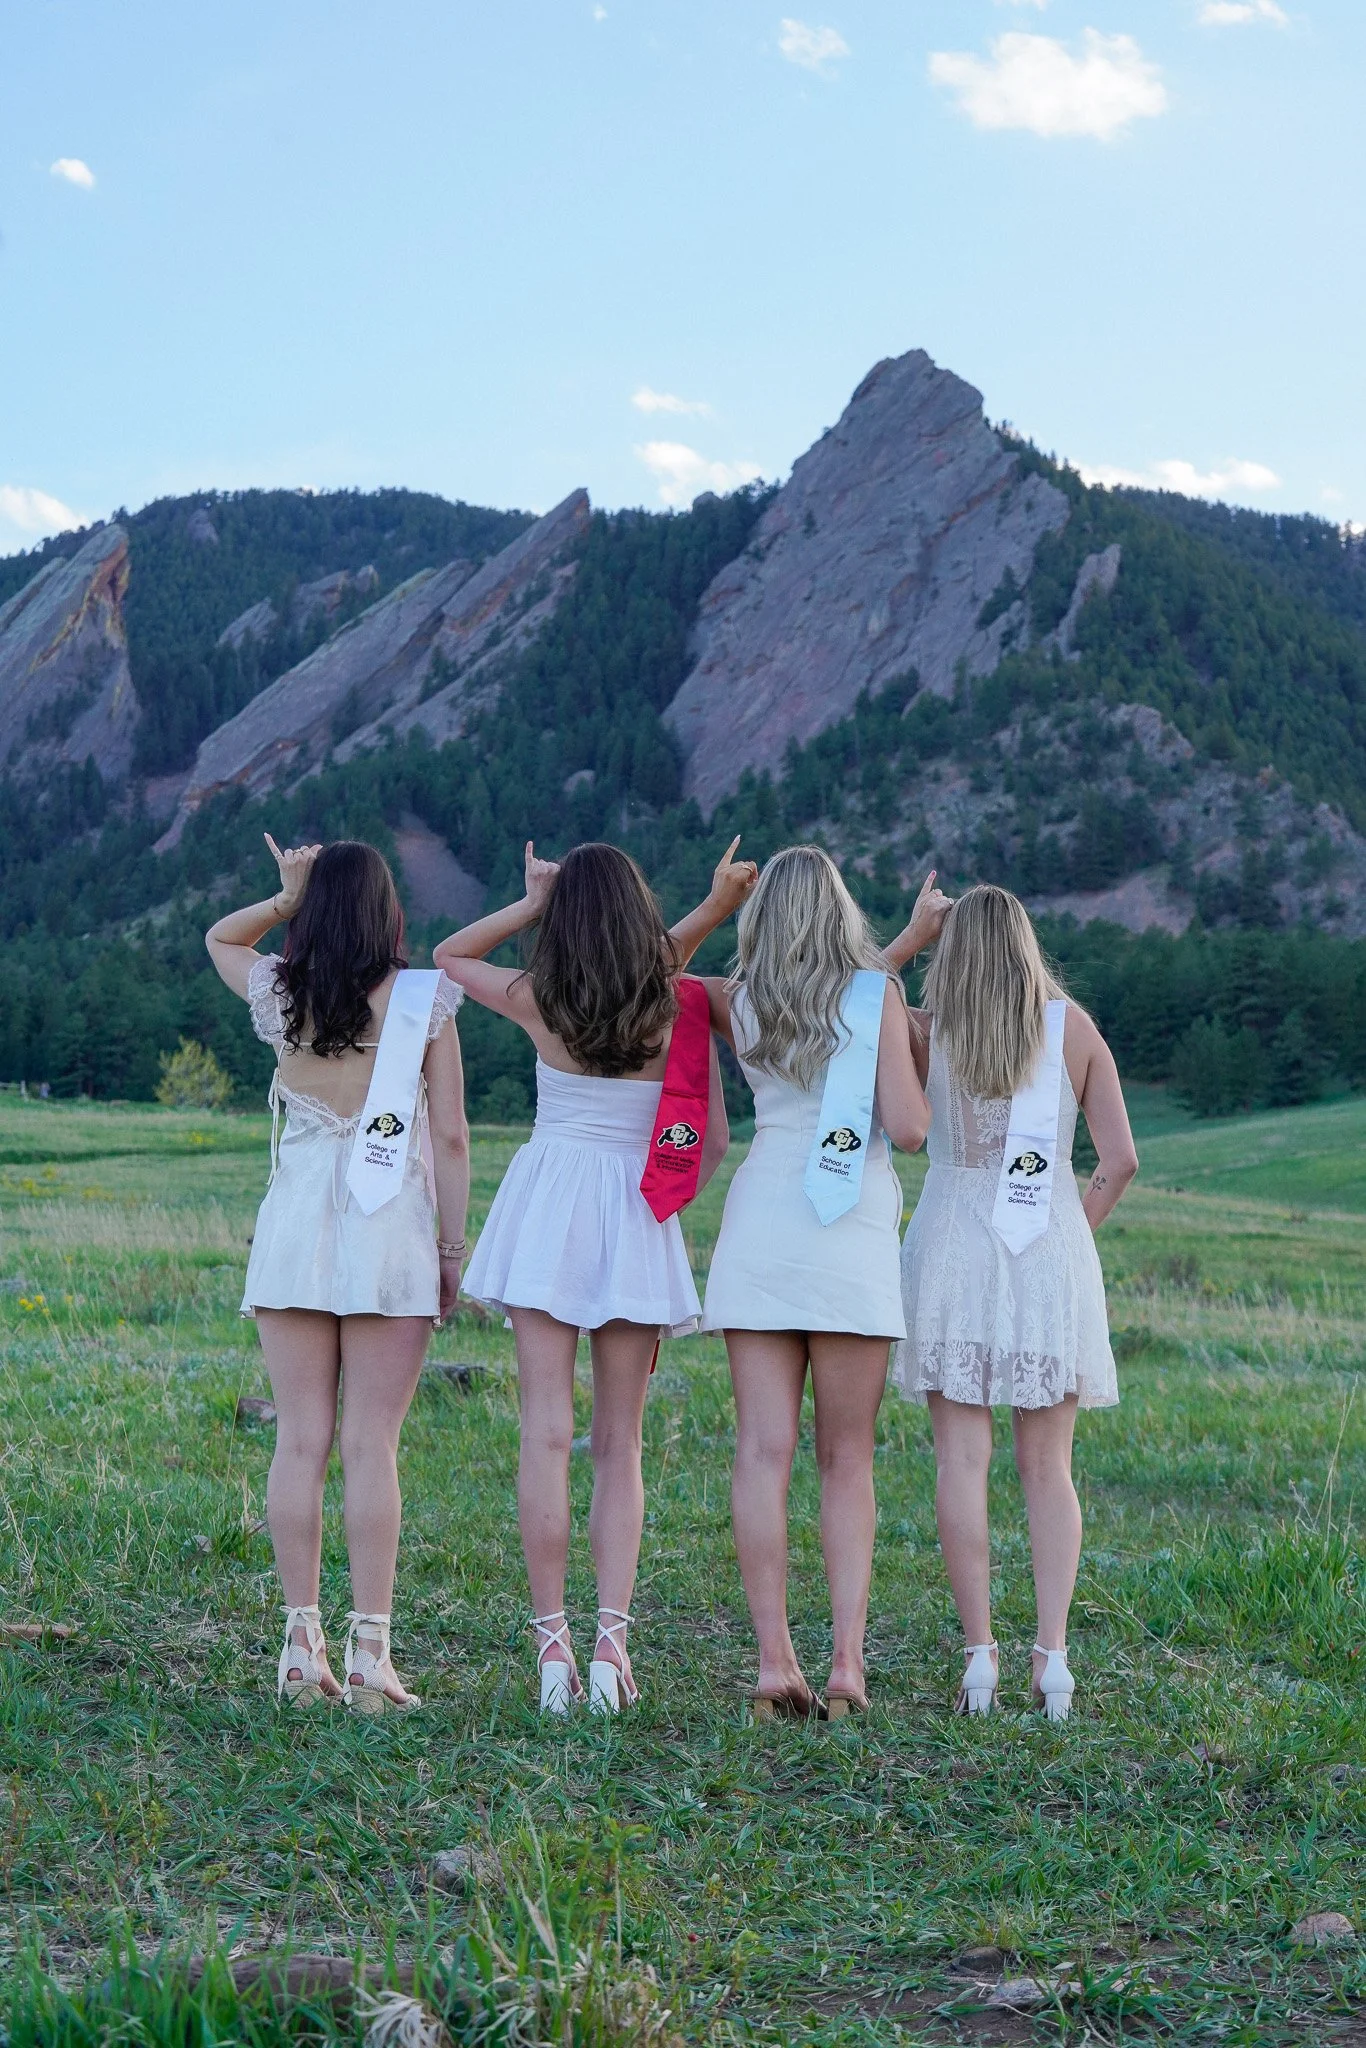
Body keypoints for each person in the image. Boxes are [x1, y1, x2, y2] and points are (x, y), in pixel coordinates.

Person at [434, 837, 753, 1713]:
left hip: (548, 1206)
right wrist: (718, 902)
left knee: (545, 1431)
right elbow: (713, 1139)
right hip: (635, 1206)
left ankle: (551, 1653)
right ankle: (611, 1647)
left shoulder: (538, 996)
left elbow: (450, 955)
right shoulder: (667, 996)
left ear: (566, 920)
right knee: (622, 1444)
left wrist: (533, 905)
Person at [207, 835, 469, 1714]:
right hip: (388, 1225)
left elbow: (218, 939)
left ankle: (296, 1645)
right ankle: (370, 1655)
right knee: (371, 1446)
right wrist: (452, 1251)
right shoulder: (425, 1003)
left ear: (315, 910)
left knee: (301, 1440)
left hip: (293, 1227)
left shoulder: (282, 994)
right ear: (388, 910)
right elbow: (454, 1137)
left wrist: (281, 901)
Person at [886, 877, 1138, 1720]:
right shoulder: (1075, 1032)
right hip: (1045, 1249)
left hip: (954, 1243)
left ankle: (978, 1661)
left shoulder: (927, 1034)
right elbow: (1120, 1159)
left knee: (962, 1460)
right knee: (1048, 1466)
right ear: (1030, 948)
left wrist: (911, 936)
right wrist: (1075, 1233)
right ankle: (1053, 1660)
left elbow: (867, 1019)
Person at [694, 846, 931, 1720]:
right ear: (841, 916)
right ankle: (845, 1667)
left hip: (762, 1227)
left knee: (762, 1451)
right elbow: (908, 1129)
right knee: (847, 1458)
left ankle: (771, 1663)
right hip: (848, 1235)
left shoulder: (739, 1000)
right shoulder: (876, 998)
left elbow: (657, 977)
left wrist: (713, 906)